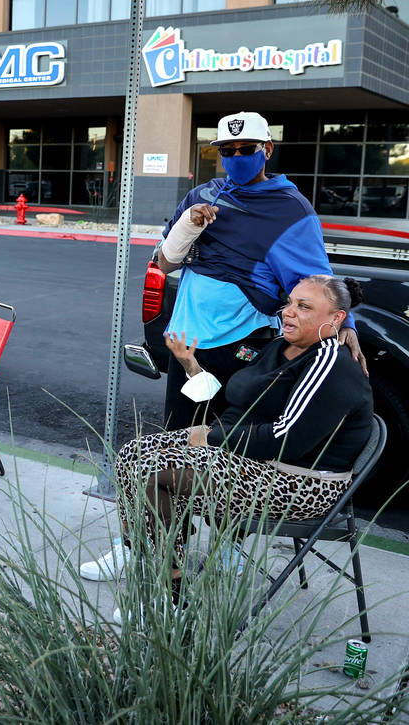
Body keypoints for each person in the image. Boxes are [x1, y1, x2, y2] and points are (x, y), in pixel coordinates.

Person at [81, 277, 372, 623]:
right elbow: (238, 403)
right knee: (132, 454)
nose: (289, 312)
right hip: (255, 460)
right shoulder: (279, 347)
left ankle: (170, 596)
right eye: (291, 302)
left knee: (157, 475)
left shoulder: (329, 363)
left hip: (299, 483)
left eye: (304, 307)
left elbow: (285, 439)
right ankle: (141, 550)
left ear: (337, 319)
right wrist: (191, 366)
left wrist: (213, 438)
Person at [152, 111, 364, 432]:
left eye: (247, 148)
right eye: (228, 150)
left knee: (228, 444)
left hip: (241, 348)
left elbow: (315, 277)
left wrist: (345, 321)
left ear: (267, 149)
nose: (236, 157)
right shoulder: (201, 196)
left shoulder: (290, 210)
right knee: (179, 438)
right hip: (187, 344)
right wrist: (188, 224)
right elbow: (165, 263)